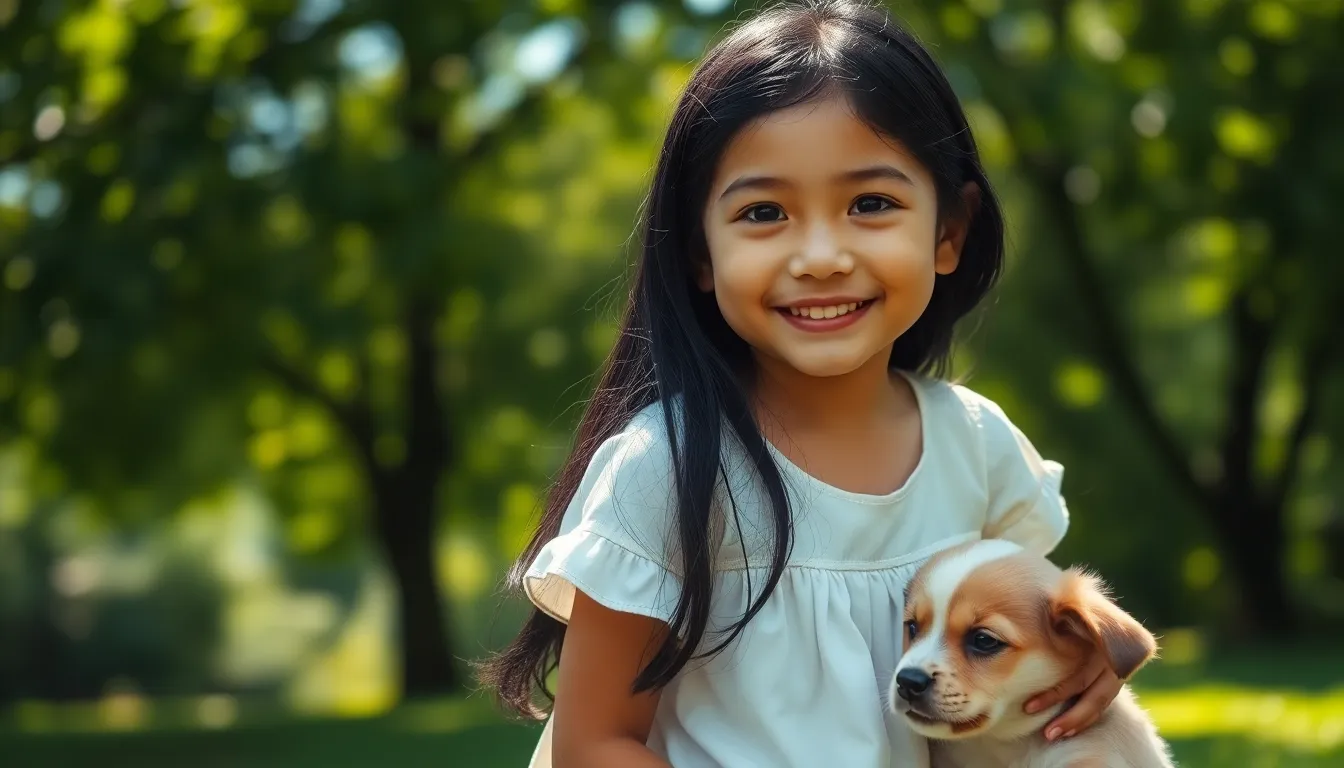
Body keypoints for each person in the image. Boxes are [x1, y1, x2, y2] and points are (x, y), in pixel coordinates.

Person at [478, 1, 1123, 765]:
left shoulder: (975, 447)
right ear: (700, 252)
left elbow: (1037, 640)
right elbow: (596, 744)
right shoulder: (670, 465)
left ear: (949, 231)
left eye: (870, 204)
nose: (820, 254)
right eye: (763, 212)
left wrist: (1091, 675)